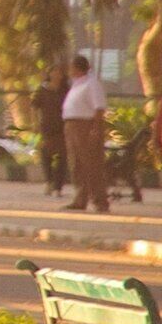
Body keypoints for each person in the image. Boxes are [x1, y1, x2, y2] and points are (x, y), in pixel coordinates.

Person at [63, 53, 114, 211]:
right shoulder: (77, 84)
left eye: (71, 66)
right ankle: (80, 198)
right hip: (72, 125)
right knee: (76, 164)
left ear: (78, 68)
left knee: (92, 164)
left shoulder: (92, 84)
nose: (69, 70)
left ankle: (100, 200)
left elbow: (99, 108)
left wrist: (96, 128)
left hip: (85, 126)